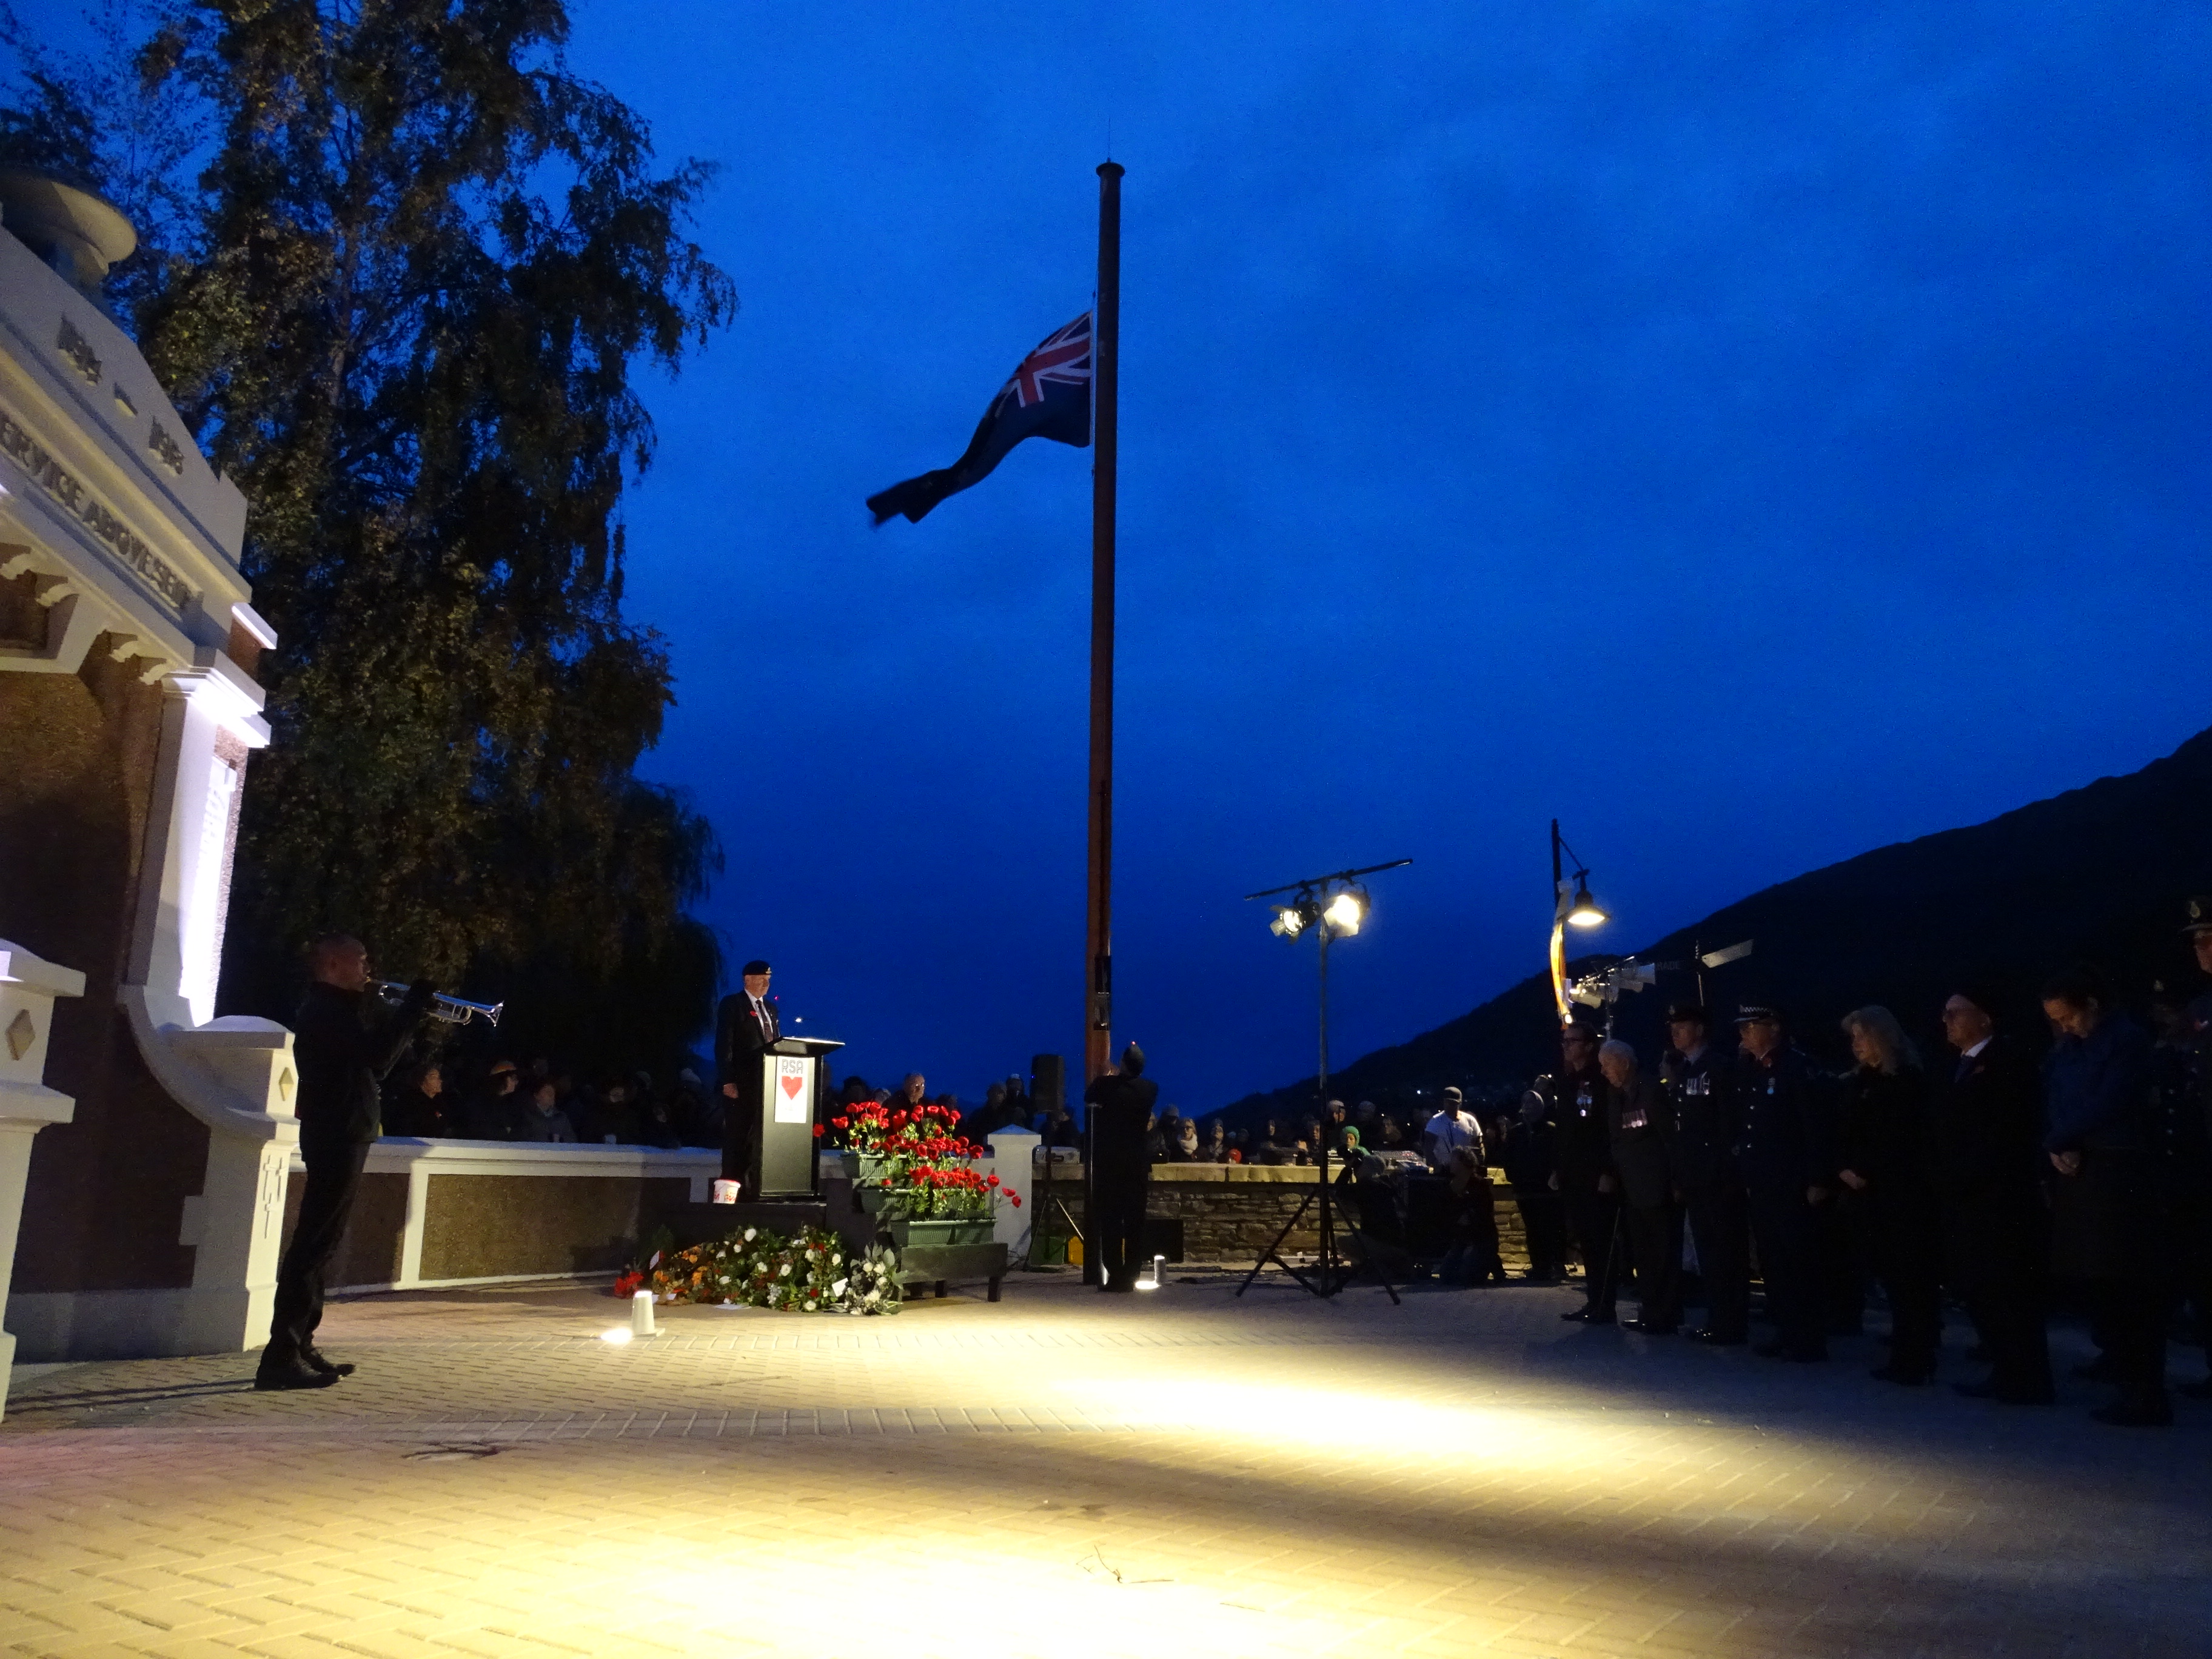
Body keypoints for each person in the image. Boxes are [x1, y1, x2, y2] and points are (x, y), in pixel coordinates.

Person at [260, 936, 433, 1390]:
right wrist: (411, 1009)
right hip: (335, 1132)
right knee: (314, 1244)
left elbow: (376, 1061)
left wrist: (401, 1014)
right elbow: (376, 1057)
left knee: (324, 1243)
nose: (368, 968)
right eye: (360, 960)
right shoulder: (324, 1010)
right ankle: (281, 1354)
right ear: (333, 965)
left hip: (344, 1131)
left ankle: (300, 1344)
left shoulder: (338, 1009)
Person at [2041, 966, 2168, 1426]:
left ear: (2091, 1005)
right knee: (2096, 1278)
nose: (2065, 1026)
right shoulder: (2068, 1047)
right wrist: (2059, 1141)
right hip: (2080, 1168)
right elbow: (2055, 1092)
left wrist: (2062, 1139)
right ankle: (2115, 1361)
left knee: (2127, 1280)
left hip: (2118, 1170)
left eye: (2069, 1016)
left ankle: (2144, 1390)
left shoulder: (2126, 1041)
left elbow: (2112, 1099)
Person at [1937, 985, 2054, 1405]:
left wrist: (1967, 1173)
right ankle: (2007, 1369)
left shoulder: (2006, 1063)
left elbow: (2007, 1133)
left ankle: (2025, 1377)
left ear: (1984, 1017)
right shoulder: (1964, 1065)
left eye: (1956, 1013)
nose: (1947, 1022)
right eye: (1946, 1014)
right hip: (1970, 1196)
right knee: (1980, 1286)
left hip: (2000, 1198)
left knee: (2009, 1290)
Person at [1836, 1007, 1942, 1385]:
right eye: (1853, 1038)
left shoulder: (1906, 1081)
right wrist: (1844, 1166)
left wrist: (1864, 1168)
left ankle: (1916, 1356)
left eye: (1863, 1036)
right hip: (1869, 1196)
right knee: (1893, 1277)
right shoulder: (1859, 1081)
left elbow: (1903, 1140)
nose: (1857, 1045)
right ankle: (1906, 1348)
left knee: (1910, 1276)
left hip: (1901, 1194)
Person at [1737, 1004, 1835, 1362]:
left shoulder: (1796, 1067)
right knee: (1773, 1261)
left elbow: (1814, 1127)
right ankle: (1787, 1330)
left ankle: (1808, 1338)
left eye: (1751, 1026)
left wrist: (1818, 1178)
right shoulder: (1759, 1069)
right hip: (1765, 1183)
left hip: (1792, 1184)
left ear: (1774, 1027)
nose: (1744, 1033)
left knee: (1799, 1262)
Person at [1660, 1003, 1749, 1346]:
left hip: (1717, 1178)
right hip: (1697, 1178)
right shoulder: (1686, 1070)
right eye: (1673, 1026)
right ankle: (1719, 1320)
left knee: (1726, 1254)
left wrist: (1726, 1173)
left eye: (1682, 1025)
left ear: (1699, 1029)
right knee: (1710, 1255)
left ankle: (1730, 1323)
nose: (1675, 1031)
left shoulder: (1718, 1068)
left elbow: (1727, 1127)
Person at [1600, 1039, 1681, 1335]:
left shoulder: (1650, 1090)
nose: (1603, 1071)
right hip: (1632, 1188)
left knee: (1662, 1253)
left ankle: (1666, 1314)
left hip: (1656, 1186)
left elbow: (1668, 1138)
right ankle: (1651, 1310)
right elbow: (1616, 1139)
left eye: (1606, 1064)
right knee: (1643, 1254)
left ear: (1624, 1063)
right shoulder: (1616, 1095)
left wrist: (1675, 1181)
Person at [1552, 1019, 1620, 1324]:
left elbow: (1607, 1129)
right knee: (1587, 1241)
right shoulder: (1567, 1080)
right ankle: (1594, 1302)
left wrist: (1608, 1170)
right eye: (1565, 1042)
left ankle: (1605, 1305)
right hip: (1575, 1173)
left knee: (1601, 1240)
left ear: (1589, 1045)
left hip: (1596, 1173)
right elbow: (1567, 1131)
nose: (1567, 1047)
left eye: (1573, 1042)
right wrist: (1559, 1168)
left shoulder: (1599, 1079)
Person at [1085, 1042, 1159, 1292]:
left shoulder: (1106, 1086)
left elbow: (1090, 1096)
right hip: (1137, 1163)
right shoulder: (1150, 1089)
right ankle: (1132, 1274)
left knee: (1112, 1219)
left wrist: (1109, 1074)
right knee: (1136, 1220)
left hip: (1111, 1163)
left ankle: (1115, 1274)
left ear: (1124, 1065)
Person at [714, 959, 780, 1194]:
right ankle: (732, 1191)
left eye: (769, 980)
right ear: (747, 980)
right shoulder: (733, 1005)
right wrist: (727, 1080)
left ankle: (756, 1188)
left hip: (767, 1085)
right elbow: (725, 1045)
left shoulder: (770, 1009)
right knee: (737, 1138)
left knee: (759, 1140)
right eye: (762, 979)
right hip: (742, 1085)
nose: (766, 984)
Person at [1503, 1086, 1568, 1282]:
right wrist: (1514, 1177)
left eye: (1532, 1103)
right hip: (1526, 1190)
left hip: (1547, 1191)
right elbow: (1508, 1158)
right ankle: (1539, 1267)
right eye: (1526, 1103)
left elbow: (1559, 1157)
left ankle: (1555, 1265)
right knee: (1533, 1230)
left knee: (1552, 1228)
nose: (1528, 1107)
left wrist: (1555, 1176)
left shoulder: (1551, 1130)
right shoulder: (1516, 1133)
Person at [1421, 1086, 1484, 1171]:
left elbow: (1479, 1146)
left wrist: (1478, 1164)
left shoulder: (1470, 1121)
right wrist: (1436, 1165)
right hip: (1444, 1170)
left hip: (1467, 1170)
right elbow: (1428, 1148)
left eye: (1453, 1103)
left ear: (1460, 1104)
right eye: (1447, 1102)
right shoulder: (1435, 1122)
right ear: (1443, 1102)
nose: (1450, 1106)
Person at [384, 1061, 451, 1138]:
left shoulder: (440, 1103)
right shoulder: (409, 1104)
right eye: (433, 1078)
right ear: (420, 1081)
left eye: (439, 1078)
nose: (439, 1081)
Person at [463, 1059, 523, 1139]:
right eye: (513, 1078)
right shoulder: (481, 1103)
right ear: (502, 1078)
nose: (516, 1082)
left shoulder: (511, 1103)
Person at [516, 1078, 577, 1142]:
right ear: (536, 1095)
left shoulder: (561, 1117)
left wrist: (560, 1140)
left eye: (553, 1092)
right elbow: (522, 1139)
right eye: (547, 1092)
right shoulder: (526, 1116)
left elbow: (573, 1140)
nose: (552, 1095)